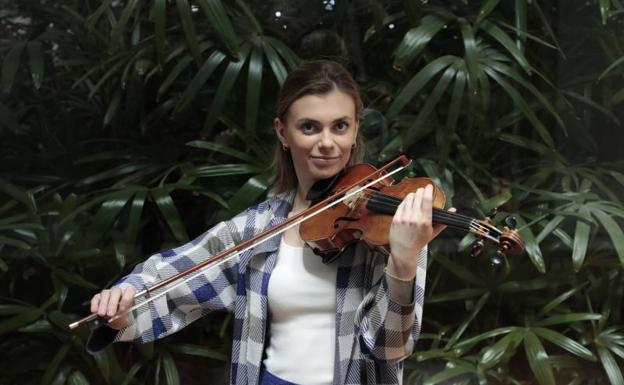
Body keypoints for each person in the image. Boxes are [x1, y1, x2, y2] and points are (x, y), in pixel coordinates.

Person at [87, 60, 449, 385]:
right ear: (282, 132)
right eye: (309, 127)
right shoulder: (256, 227)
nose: (327, 143)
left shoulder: (393, 227)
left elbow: (390, 349)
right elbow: (174, 275)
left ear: (355, 131)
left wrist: (403, 262)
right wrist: (123, 307)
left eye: (340, 126)